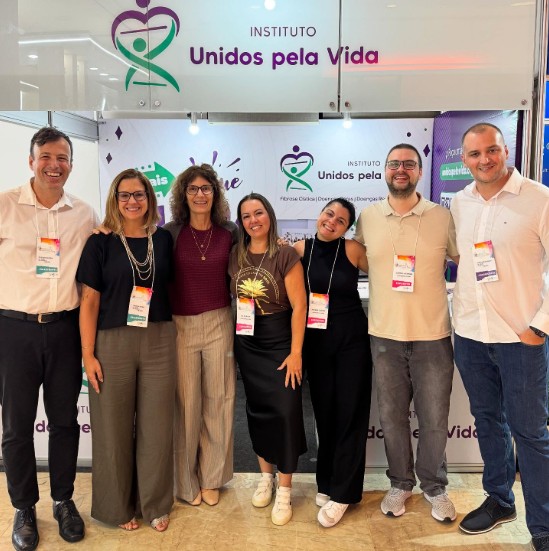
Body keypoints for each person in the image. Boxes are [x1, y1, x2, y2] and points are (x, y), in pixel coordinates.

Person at [451, 123, 549, 551]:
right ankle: (500, 500)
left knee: (531, 433)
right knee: (488, 421)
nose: (484, 160)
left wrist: (540, 325)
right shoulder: (460, 202)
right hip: (471, 334)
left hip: (520, 338)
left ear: (505, 150)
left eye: (491, 150)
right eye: (474, 154)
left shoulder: (539, 199)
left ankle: (543, 526)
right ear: (464, 159)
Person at [0, 127, 98, 551]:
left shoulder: (84, 213)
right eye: (46, 157)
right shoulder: (5, 205)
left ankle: (63, 500)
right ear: (31, 161)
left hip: (64, 329)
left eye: (62, 158)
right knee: (16, 427)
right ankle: (24, 507)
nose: (54, 165)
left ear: (71, 164)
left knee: (63, 421)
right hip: (13, 330)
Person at [354, 143, 458, 523]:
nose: (401, 169)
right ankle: (400, 483)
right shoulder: (368, 217)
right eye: (394, 164)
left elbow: (464, 260)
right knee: (392, 418)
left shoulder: (441, 217)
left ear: (419, 171)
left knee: (434, 420)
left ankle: (434, 486)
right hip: (384, 337)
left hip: (433, 336)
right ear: (384, 170)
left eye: (409, 164)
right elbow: (355, 259)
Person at [77, 168, 175, 532]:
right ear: (115, 200)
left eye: (139, 194)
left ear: (149, 198)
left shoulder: (163, 240)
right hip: (112, 341)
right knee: (112, 428)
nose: (132, 201)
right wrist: (88, 354)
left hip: (159, 339)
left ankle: (155, 503)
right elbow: (89, 301)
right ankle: (117, 507)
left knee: (157, 426)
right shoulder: (99, 242)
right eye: (125, 195)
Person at [228, 193, 307, 526]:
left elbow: (300, 307)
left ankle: (285, 488)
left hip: (280, 342)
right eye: (246, 216)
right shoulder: (235, 254)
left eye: (258, 213)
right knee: (257, 411)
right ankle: (266, 477)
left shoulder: (285, 254)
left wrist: (296, 353)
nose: (253, 220)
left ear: (269, 216)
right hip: (248, 342)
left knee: (285, 413)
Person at [294, 198, 372, 528]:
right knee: (324, 416)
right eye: (329, 214)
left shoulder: (353, 250)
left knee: (350, 415)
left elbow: (386, 273)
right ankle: (326, 481)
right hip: (316, 344)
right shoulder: (300, 249)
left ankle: (344, 493)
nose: (332, 222)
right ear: (320, 214)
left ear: (347, 228)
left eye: (341, 220)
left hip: (352, 342)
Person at [164, 164, 237, 507]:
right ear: (183, 195)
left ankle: (212, 477)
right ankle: (185, 480)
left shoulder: (230, 232)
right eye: (192, 189)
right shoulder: (170, 233)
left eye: (206, 188)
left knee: (219, 400)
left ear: (215, 193)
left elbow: (254, 258)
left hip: (220, 321)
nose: (199, 194)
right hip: (180, 325)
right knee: (186, 405)